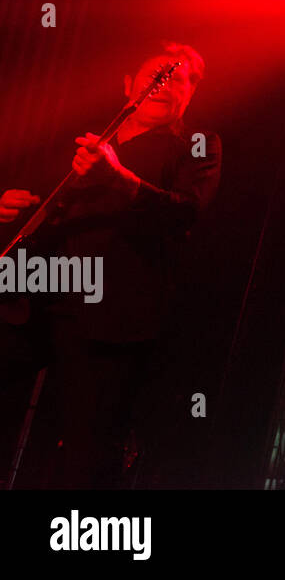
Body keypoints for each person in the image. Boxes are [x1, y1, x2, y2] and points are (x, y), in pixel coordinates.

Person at [0, 42, 221, 488]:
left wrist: (119, 177)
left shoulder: (198, 145)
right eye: (155, 74)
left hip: (112, 314)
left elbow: (186, 213)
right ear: (128, 85)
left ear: (190, 95)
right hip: (36, 298)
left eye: (176, 78)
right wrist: (8, 206)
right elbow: (41, 202)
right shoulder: (84, 138)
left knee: (87, 443)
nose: (163, 84)